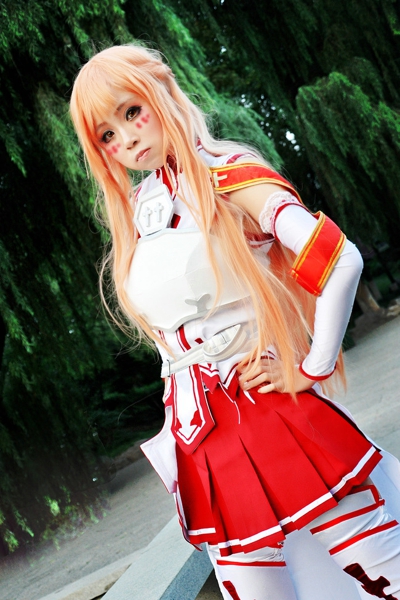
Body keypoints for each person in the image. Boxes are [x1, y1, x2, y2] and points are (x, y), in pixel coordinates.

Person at [70, 44, 400, 600]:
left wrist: (312, 365)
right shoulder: (140, 213)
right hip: (200, 436)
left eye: (131, 112)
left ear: (163, 92)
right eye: (107, 134)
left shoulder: (226, 175)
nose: (126, 139)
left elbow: (339, 259)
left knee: (380, 568)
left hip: (267, 410)